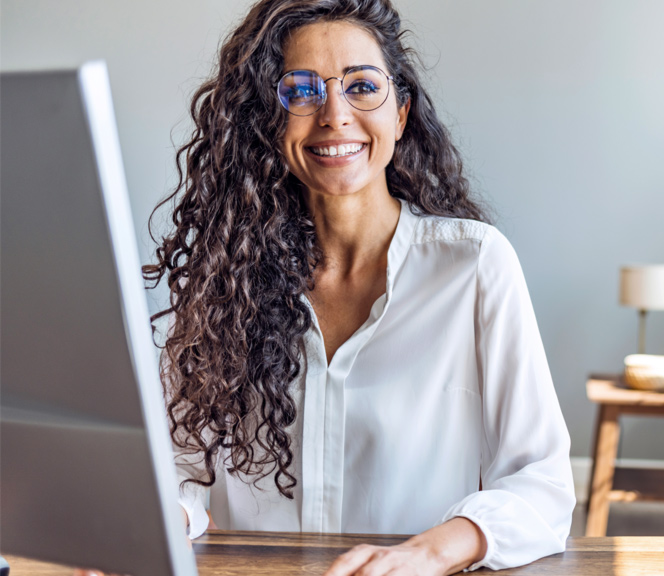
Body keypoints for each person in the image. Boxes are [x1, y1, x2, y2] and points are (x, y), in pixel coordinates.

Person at [140, 0, 575, 574]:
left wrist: (429, 552)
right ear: (267, 122)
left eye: (362, 86)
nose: (334, 115)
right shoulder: (226, 285)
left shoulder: (474, 267)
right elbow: (176, 471)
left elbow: (541, 484)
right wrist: (158, 519)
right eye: (300, 90)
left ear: (400, 114)